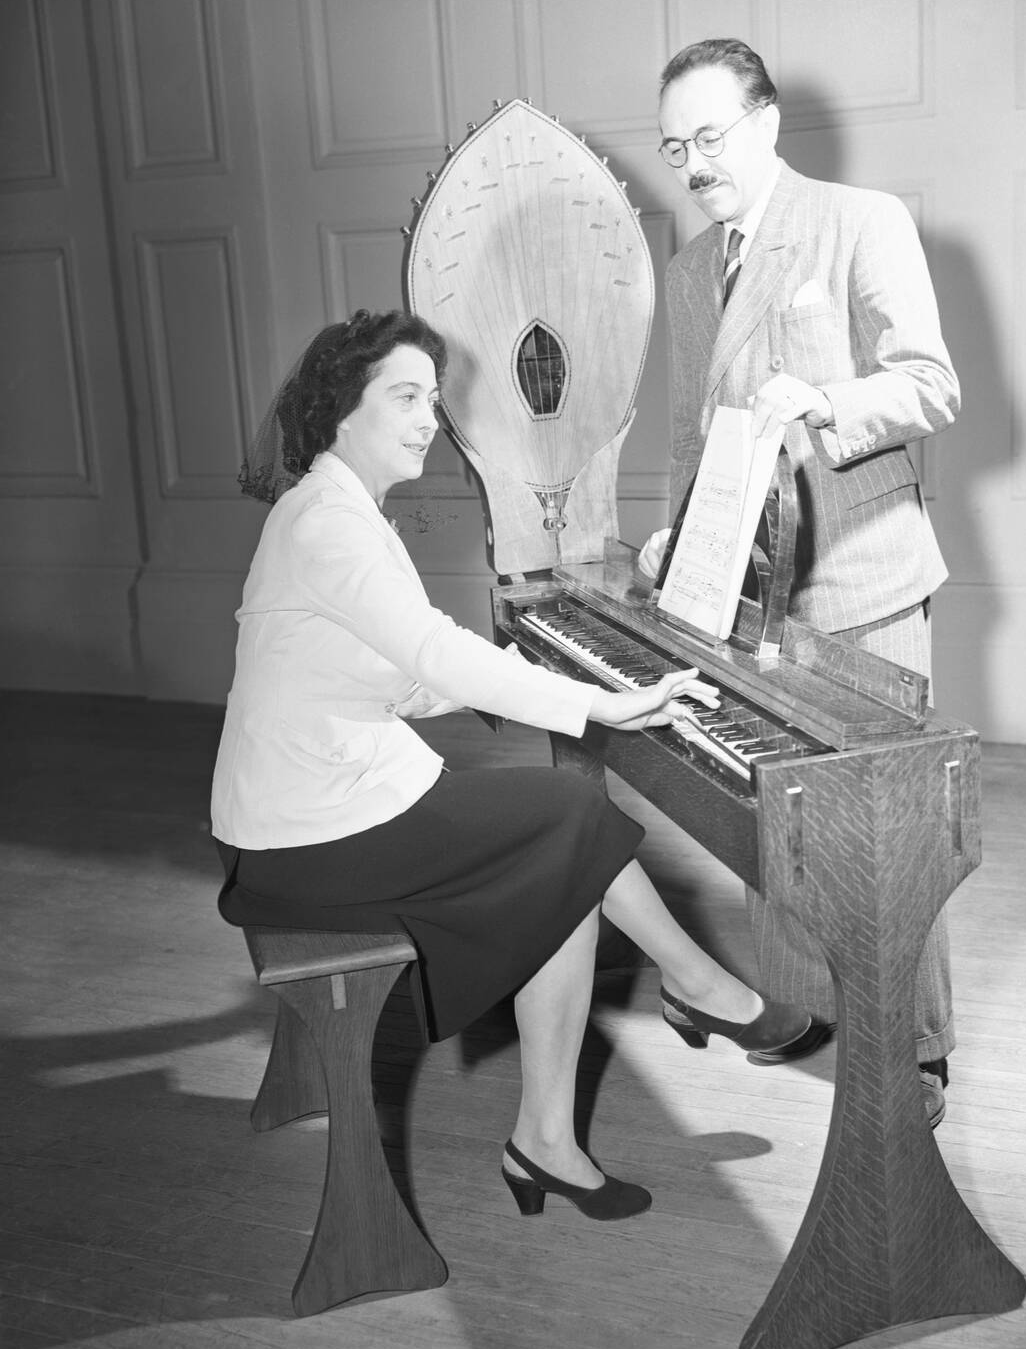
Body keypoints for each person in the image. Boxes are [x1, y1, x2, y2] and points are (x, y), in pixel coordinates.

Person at [211, 308, 824, 1222]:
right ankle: (698, 986)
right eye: (406, 398)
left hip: (314, 813)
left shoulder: (338, 513)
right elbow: (430, 650)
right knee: (565, 816)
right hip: (305, 840)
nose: (430, 419)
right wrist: (600, 699)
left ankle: (549, 1138)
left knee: (558, 856)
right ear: (343, 410)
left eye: (433, 399)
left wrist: (554, 671)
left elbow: (400, 677)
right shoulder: (326, 526)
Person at [640, 39, 959, 1125]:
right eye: (676, 147)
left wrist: (824, 403)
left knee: (894, 831)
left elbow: (928, 386)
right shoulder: (689, 272)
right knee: (770, 815)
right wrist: (674, 545)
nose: (692, 163)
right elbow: (693, 445)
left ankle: (915, 1051)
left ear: (768, 121)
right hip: (755, 595)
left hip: (868, 577)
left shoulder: (861, 221)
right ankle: (799, 1004)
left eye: (710, 136)